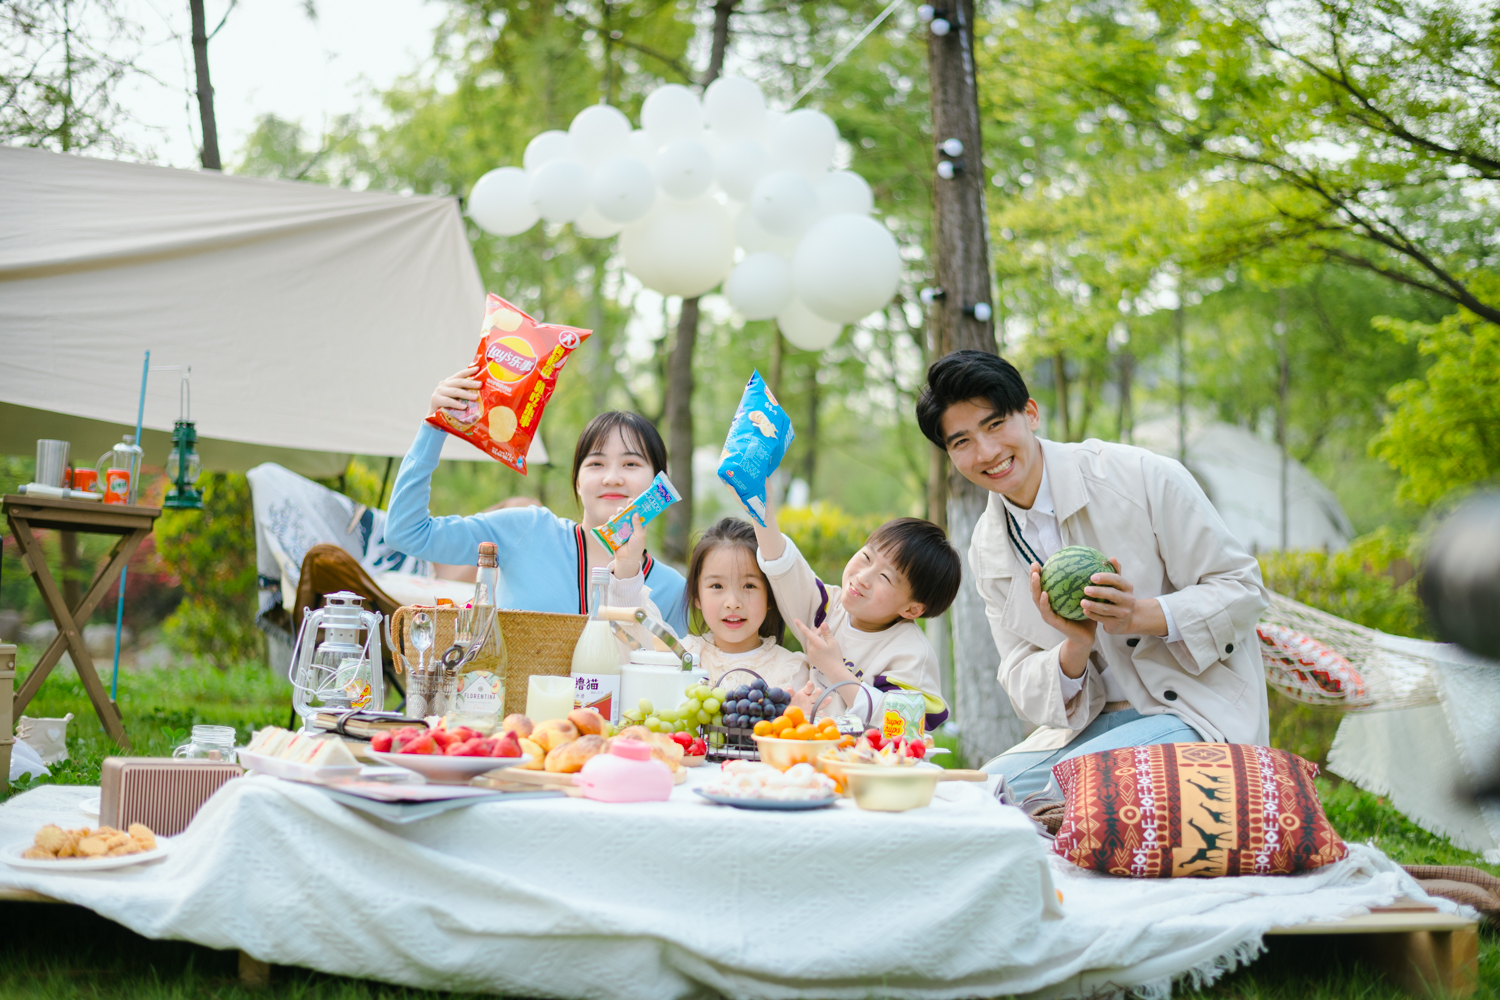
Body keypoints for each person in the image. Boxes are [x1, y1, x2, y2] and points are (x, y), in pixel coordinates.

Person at [915, 350, 1269, 800]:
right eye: (962, 442)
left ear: (1031, 413)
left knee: (1070, 790)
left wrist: (1140, 615)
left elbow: (1242, 590)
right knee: (980, 795)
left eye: (995, 424)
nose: (987, 452)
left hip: (1195, 713)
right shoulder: (988, 546)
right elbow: (1020, 677)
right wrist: (1074, 647)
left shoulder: (1141, 476)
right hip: (1091, 727)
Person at [384, 363, 689, 634]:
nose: (612, 477)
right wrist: (433, 429)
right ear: (577, 482)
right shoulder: (526, 529)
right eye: (596, 463)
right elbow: (407, 534)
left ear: (658, 481)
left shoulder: (672, 588)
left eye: (631, 464)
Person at [748, 493, 961, 731]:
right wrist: (760, 507)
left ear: (911, 609)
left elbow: (906, 722)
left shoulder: (911, 654)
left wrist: (834, 669)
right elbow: (784, 568)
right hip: (811, 746)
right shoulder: (828, 609)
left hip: (866, 755)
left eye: (885, 577)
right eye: (867, 557)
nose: (862, 577)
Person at [610, 517, 816, 696]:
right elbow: (631, 640)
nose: (733, 603)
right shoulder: (681, 654)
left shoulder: (791, 670)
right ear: (696, 595)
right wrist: (627, 565)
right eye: (717, 586)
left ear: (770, 597)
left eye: (749, 586)